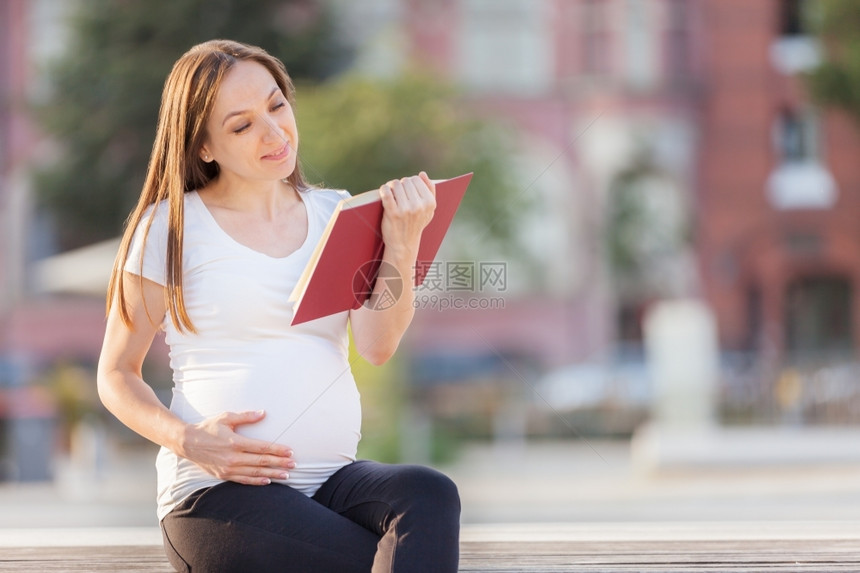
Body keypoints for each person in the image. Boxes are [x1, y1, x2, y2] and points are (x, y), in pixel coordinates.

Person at [97, 39, 460, 572]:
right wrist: (189, 440)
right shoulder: (167, 227)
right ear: (204, 147)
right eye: (241, 126)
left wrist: (400, 242)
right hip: (218, 494)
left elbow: (378, 346)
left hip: (331, 484)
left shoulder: (338, 213)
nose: (273, 132)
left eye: (276, 105)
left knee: (428, 493)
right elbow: (115, 374)